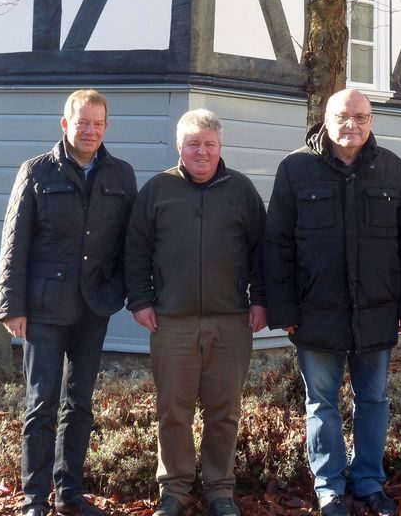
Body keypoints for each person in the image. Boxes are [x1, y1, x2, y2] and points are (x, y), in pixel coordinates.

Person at [264, 88, 401, 516]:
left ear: (371, 120)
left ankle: (369, 480)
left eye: (361, 116)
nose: (352, 124)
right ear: (326, 117)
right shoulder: (296, 168)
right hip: (316, 313)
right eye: (343, 116)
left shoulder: (390, 167)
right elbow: (276, 244)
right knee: (322, 403)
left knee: (373, 400)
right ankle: (329, 485)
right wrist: (284, 311)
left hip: (377, 313)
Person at [0, 89, 137, 516]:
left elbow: (131, 242)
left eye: (98, 123)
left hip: (94, 307)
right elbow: (14, 241)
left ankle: (69, 495)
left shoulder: (121, 174)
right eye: (82, 122)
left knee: (80, 404)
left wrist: (121, 291)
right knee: (41, 404)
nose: (90, 130)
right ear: (65, 124)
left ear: (106, 126)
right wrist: (11, 306)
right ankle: (33, 500)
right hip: (44, 307)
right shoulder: (37, 171)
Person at [124, 109, 267, 516]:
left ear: (220, 146)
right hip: (172, 321)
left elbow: (263, 252)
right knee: (173, 410)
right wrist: (141, 302)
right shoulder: (157, 190)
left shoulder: (241, 191)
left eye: (209, 144)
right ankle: (175, 490)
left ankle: (220, 488)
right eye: (193, 144)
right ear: (179, 147)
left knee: (225, 411)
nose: (201, 152)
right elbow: (135, 252)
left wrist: (260, 300)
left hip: (231, 321)